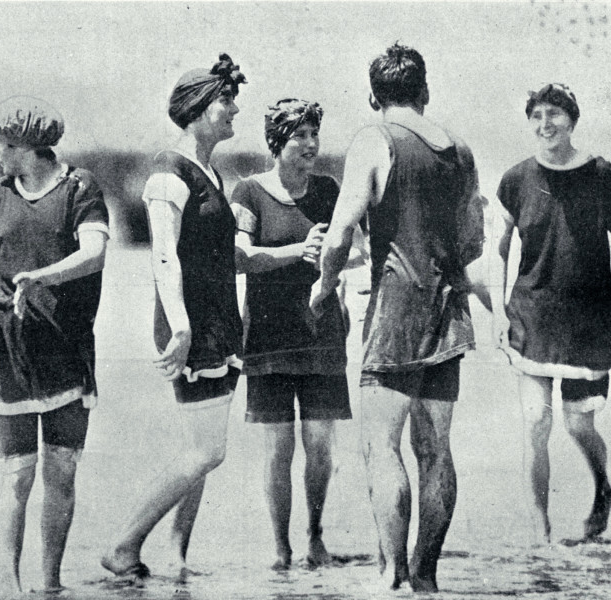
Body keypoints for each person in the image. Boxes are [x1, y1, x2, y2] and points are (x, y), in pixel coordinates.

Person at [309, 43, 484, 592]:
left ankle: (392, 575)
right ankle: (427, 577)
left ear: (372, 96)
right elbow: (474, 241)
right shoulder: (460, 150)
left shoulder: (374, 139)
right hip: (448, 312)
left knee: (380, 447)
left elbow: (339, 233)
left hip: (394, 312)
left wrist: (325, 283)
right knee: (435, 451)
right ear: (425, 92)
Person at [0, 96, 109, 594]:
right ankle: (10, 588)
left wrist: (40, 276)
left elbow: (96, 252)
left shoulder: (81, 187)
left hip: (67, 350)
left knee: (61, 473)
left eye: (2, 143)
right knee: (17, 478)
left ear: (27, 146)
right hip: (8, 352)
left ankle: (51, 586)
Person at [101, 54, 247, 585]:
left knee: (199, 448)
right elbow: (163, 254)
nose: (235, 110)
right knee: (208, 450)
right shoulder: (169, 170)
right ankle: (123, 544)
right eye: (226, 100)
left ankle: (178, 557)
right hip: (191, 324)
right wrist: (181, 327)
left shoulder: (211, 171)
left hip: (219, 324)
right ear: (200, 110)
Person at [490, 83, 611, 544]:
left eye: (554, 114)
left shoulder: (601, 174)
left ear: (572, 120)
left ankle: (603, 487)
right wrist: (498, 311)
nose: (545, 124)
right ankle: (542, 531)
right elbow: (497, 251)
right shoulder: (516, 179)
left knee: (579, 423)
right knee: (536, 423)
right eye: (536, 116)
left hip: (589, 319)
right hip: (531, 314)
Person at [231, 99, 362, 570]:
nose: (310, 145)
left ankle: (315, 536)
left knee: (321, 446)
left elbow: (358, 250)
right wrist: (299, 251)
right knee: (277, 452)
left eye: (314, 135)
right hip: (267, 336)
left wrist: (336, 265)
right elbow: (239, 256)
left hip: (322, 332)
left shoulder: (329, 190)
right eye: (298, 137)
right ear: (275, 144)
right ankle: (280, 546)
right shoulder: (248, 192)